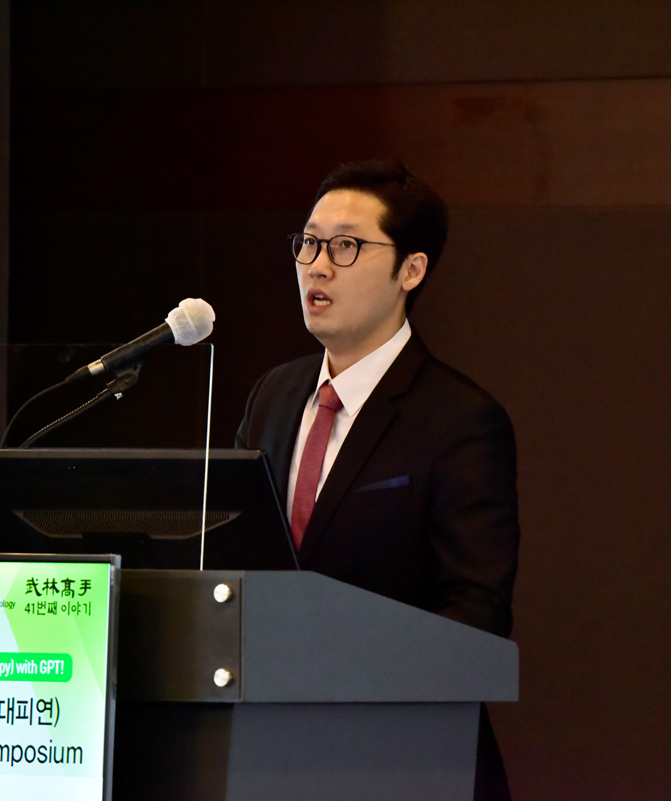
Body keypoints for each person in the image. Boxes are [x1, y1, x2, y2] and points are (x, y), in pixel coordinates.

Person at [234, 160, 519, 801]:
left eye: (346, 247)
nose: (317, 266)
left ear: (410, 270)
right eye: (308, 243)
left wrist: (343, 671)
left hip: (406, 758)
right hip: (271, 753)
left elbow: (475, 612)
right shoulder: (273, 396)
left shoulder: (461, 421)